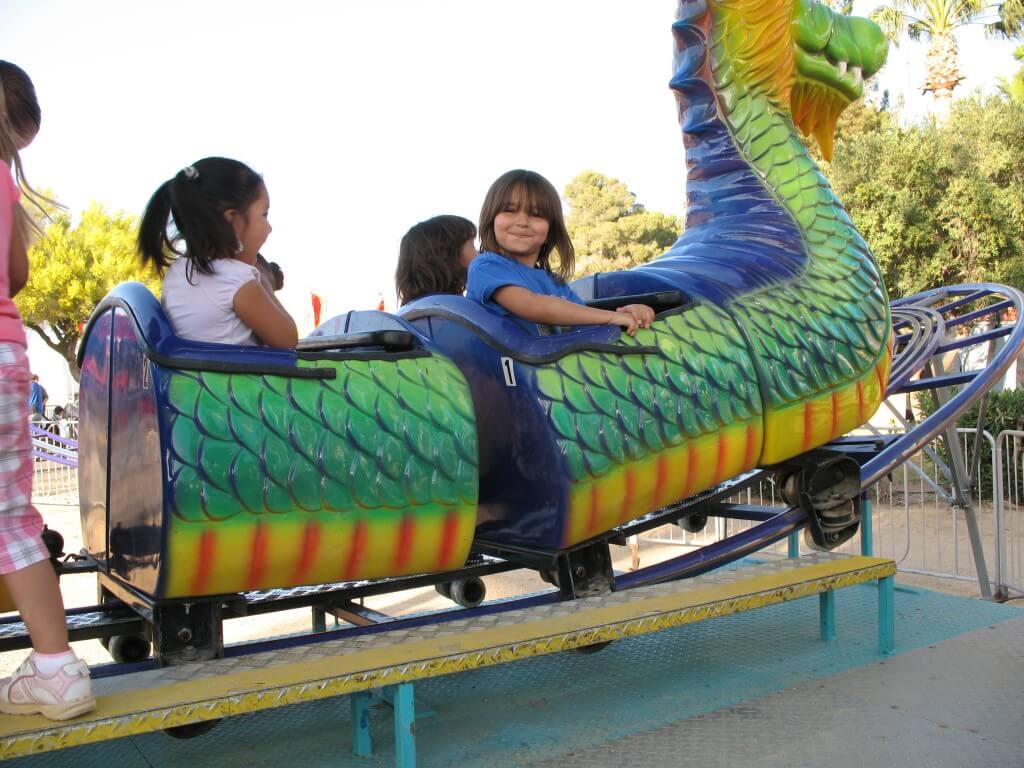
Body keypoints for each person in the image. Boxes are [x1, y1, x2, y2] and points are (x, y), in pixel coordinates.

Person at [0, 60, 95, 721]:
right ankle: (58, 668)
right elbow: (16, 272)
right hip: (6, 354)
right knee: (11, 519)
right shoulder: (6, 182)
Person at [466, 170, 654, 336]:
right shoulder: (486, 266)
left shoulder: (556, 284)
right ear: (491, 219)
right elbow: (532, 306)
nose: (522, 221)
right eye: (510, 211)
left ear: (551, 228)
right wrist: (610, 317)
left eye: (536, 214)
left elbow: (586, 323)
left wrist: (624, 314)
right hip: (501, 373)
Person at [138, 157, 298, 349]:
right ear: (233, 221)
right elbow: (288, 339)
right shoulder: (237, 280)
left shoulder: (177, 273)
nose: (269, 228)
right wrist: (264, 279)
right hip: (236, 379)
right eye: (264, 215)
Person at [395, 215, 477, 306]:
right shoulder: (461, 311)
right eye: (472, 246)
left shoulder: (409, 313)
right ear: (449, 256)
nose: (479, 254)